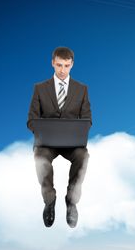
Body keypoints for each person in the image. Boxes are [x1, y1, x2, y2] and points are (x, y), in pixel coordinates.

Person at [27, 47, 92, 228]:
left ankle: (71, 201)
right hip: (47, 143)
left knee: (83, 156)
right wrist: (42, 131)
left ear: (72, 65)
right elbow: (31, 120)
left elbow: (88, 119)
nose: (62, 70)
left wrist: (78, 132)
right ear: (52, 63)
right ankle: (49, 201)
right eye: (58, 65)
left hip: (73, 143)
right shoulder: (40, 89)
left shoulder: (82, 89)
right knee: (40, 156)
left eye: (66, 65)